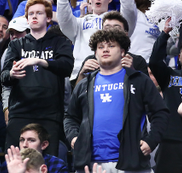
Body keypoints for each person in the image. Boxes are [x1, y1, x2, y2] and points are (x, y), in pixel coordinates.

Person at [64, 29, 169, 173]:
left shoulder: (139, 80)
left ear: (123, 52)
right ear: (95, 54)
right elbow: (70, 116)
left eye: (111, 46)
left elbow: (160, 113)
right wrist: (74, 137)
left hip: (131, 162)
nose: (105, 49)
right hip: (91, 162)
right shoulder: (84, 83)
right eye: (100, 47)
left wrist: (152, 141)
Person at [2, 0, 74, 156]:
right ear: (27, 19)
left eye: (39, 13)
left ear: (48, 18)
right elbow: (4, 77)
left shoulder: (60, 42)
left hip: (50, 113)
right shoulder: (15, 44)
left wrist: (41, 61)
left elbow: (67, 68)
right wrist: (12, 74)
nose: (34, 16)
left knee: (48, 163)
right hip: (20, 111)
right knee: (14, 160)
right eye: (31, 14)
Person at [57, 0, 137, 81]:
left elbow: (130, 15)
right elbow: (64, 21)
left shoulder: (117, 21)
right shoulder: (79, 22)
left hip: (113, 73)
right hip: (83, 74)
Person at [148, 20, 182, 173]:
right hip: (169, 140)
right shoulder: (169, 75)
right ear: (179, 56)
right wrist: (164, 33)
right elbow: (154, 61)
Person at [75, 12, 148, 85]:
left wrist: (132, 71)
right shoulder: (90, 60)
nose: (111, 31)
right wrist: (82, 74)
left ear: (126, 34)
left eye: (116, 28)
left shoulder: (137, 61)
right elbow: (77, 94)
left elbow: (146, 91)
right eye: (107, 28)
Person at [0, 123, 68, 173]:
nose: (25, 145)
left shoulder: (56, 164)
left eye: (31, 140)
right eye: (22, 140)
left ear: (44, 145)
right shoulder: (9, 164)